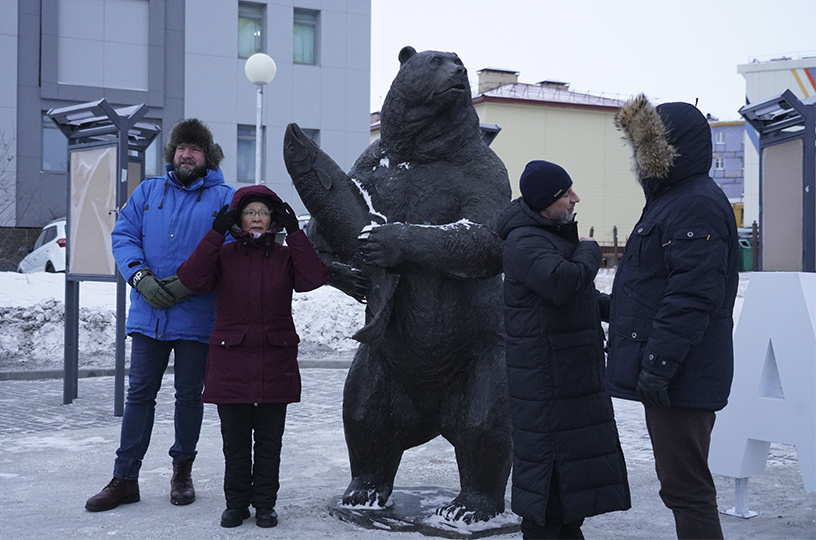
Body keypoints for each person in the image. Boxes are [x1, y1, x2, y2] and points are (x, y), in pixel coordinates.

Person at [606, 95, 739, 539]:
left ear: (669, 149)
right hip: (678, 371)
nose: (638, 159)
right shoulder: (675, 200)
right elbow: (655, 290)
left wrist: (659, 365)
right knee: (682, 487)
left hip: (682, 374)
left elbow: (692, 295)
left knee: (687, 490)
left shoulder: (693, 203)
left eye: (645, 147)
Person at [85, 119, 235, 512]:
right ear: (172, 153)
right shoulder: (149, 191)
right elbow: (124, 236)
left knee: (188, 397)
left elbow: (231, 252)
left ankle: (182, 473)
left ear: (208, 156)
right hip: (149, 315)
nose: (187, 154)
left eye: (195, 149)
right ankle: (125, 479)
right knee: (139, 397)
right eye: (181, 148)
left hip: (196, 318)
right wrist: (139, 276)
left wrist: (191, 283)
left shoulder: (224, 198)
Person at [176, 184, 327, 528]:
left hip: (276, 360)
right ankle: (236, 504)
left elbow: (314, 278)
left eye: (263, 212)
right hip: (231, 362)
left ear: (272, 219)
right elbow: (191, 278)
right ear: (238, 219)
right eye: (249, 212)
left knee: (270, 441)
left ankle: (265, 505)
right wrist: (215, 236)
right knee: (236, 441)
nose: (257, 218)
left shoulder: (285, 256)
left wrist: (296, 234)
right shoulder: (224, 255)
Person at [497, 160, 631, 539]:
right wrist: (590, 251)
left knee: (569, 493)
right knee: (548, 495)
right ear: (544, 202)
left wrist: (625, 311)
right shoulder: (525, 240)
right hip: (547, 389)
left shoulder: (548, 235)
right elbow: (562, 283)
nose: (575, 199)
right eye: (565, 193)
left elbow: (580, 297)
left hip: (568, 383)